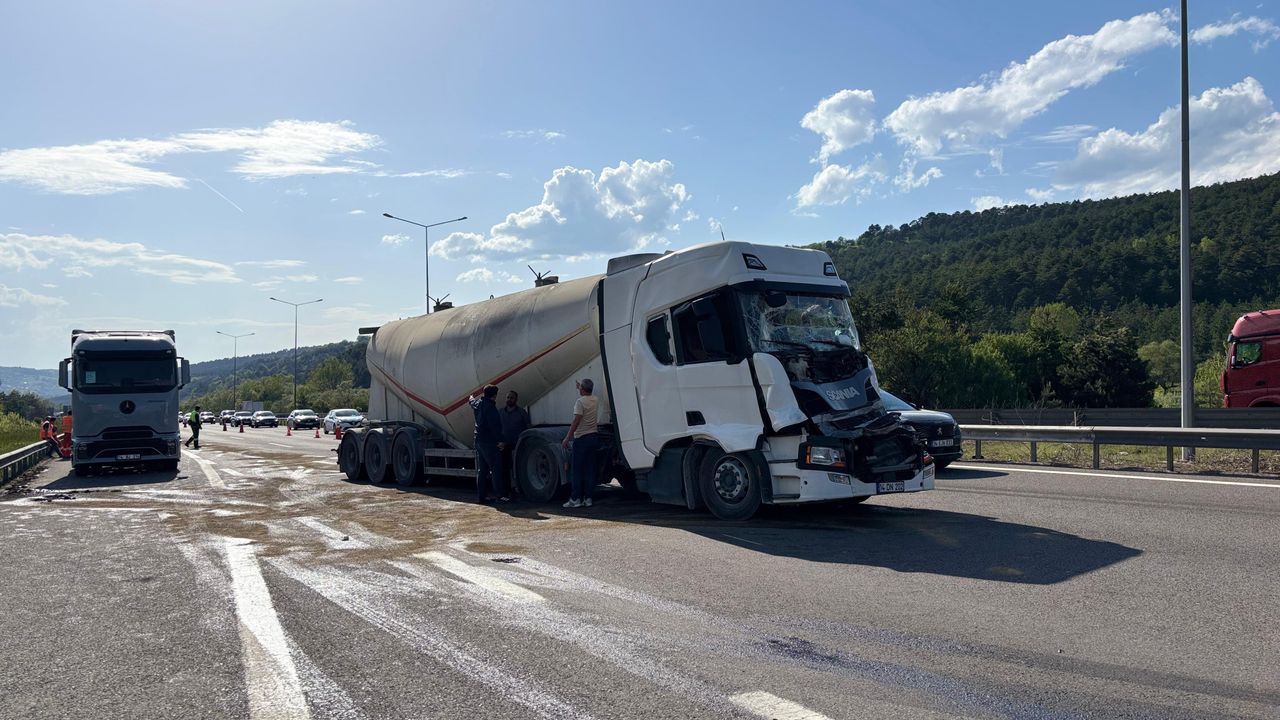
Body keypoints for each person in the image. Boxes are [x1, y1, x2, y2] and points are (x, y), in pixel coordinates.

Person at [561, 378, 600, 509]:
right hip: (593, 437)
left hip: (581, 439)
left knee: (577, 470)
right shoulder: (595, 400)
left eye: (580, 388)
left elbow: (576, 421)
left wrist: (567, 437)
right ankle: (588, 498)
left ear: (582, 389)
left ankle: (575, 499)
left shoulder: (580, 402)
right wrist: (580, 387)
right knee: (589, 470)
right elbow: (586, 393)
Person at [469, 385, 506, 503]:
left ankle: (482, 496)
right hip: (489, 442)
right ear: (494, 395)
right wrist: (500, 441)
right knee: (495, 469)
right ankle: (499, 495)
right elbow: (495, 426)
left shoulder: (478, 404)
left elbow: (471, 402)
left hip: (478, 440)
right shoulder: (491, 408)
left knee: (482, 470)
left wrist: (471, 397)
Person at [498, 390, 530, 495]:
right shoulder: (501, 412)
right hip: (504, 445)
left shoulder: (521, 412)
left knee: (517, 467)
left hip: (517, 445)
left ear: (516, 399)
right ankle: (507, 490)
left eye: (511, 398)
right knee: (505, 468)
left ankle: (519, 488)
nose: (509, 399)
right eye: (508, 397)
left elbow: (528, 427)